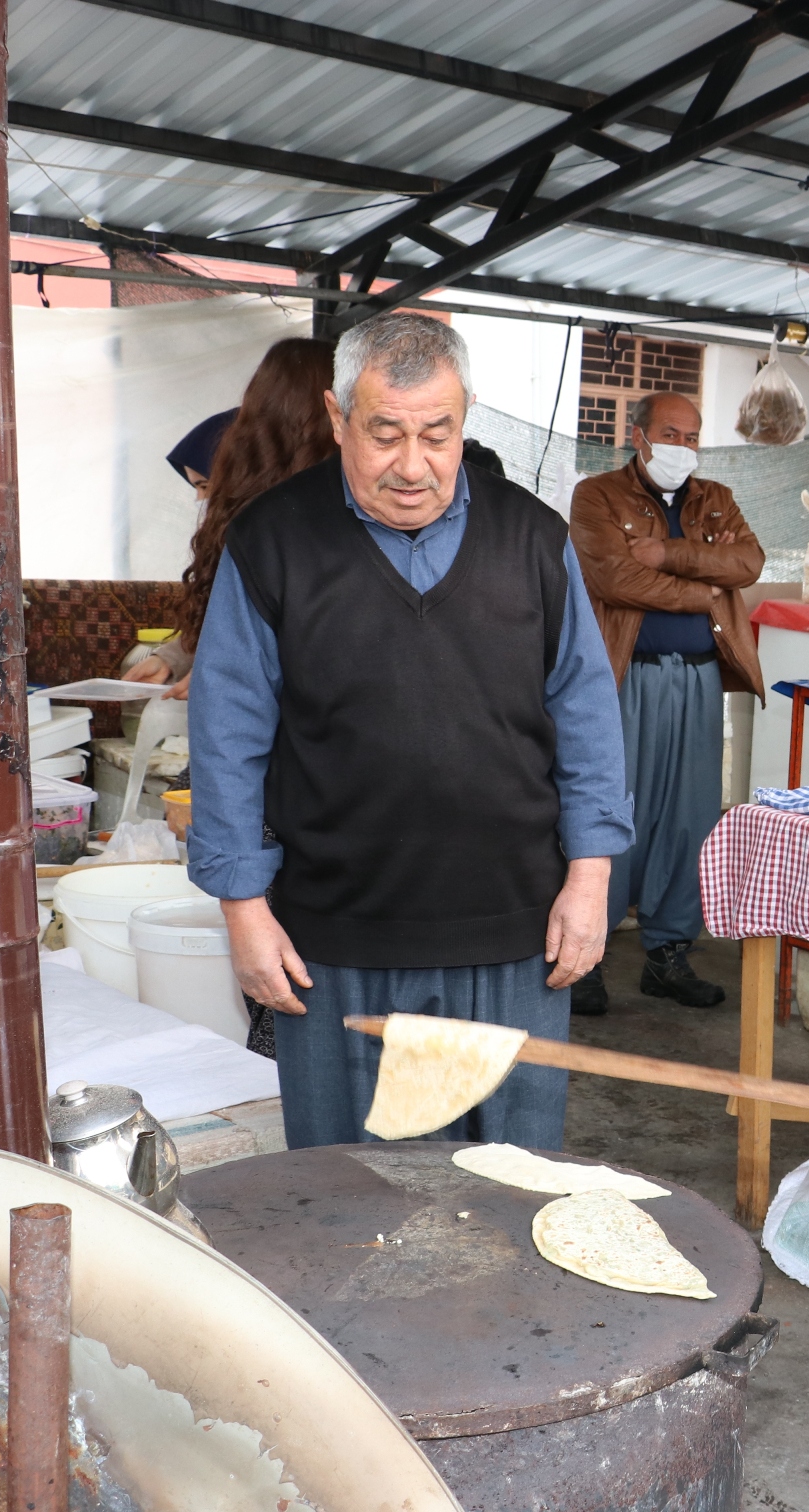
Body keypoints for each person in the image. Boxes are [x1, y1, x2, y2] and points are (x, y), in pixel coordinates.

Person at [186, 312, 632, 1149]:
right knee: (348, 1205)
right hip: (335, 939)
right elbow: (225, 732)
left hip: (514, 935)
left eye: (438, 434)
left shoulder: (532, 539)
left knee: (513, 1192)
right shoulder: (273, 541)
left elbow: (586, 712)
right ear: (336, 416)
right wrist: (243, 909)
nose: (413, 465)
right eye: (385, 433)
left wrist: (592, 876)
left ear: (465, 418)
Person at [567, 391, 765, 1014]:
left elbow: (749, 561)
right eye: (671, 433)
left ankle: (668, 955)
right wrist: (704, 594)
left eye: (692, 436)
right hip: (625, 677)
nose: (683, 447)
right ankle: (584, 959)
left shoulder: (717, 500)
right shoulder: (596, 496)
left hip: (700, 677)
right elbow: (612, 579)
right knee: (611, 812)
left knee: (690, 818)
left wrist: (672, 554)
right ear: (639, 436)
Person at [126, 341, 337, 699]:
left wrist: (225, 670)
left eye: (204, 485)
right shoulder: (336, 501)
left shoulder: (259, 508)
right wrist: (177, 658)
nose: (201, 498)